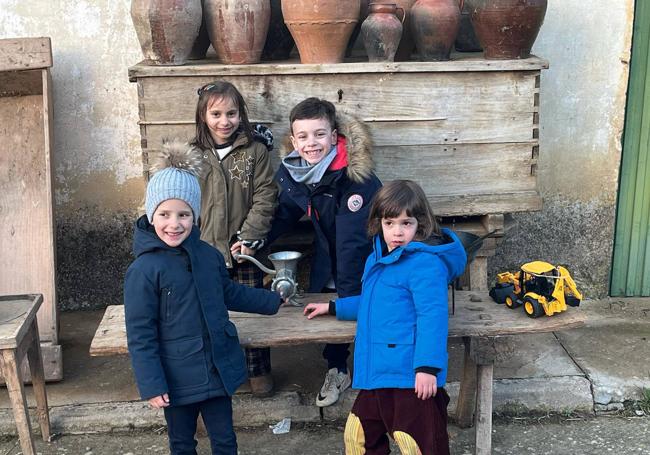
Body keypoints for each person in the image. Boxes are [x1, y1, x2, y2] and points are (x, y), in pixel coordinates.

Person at [124, 143, 283, 455]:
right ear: (151, 214)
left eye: (184, 214)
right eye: (165, 214)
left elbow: (227, 292)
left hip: (216, 368)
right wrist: (153, 384)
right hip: (176, 376)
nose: (174, 224)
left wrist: (272, 301)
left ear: (195, 216)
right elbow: (140, 334)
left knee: (225, 440)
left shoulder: (208, 255)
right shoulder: (143, 270)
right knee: (182, 443)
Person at [304, 180, 467, 454]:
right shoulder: (377, 258)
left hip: (409, 376)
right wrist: (333, 307)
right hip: (377, 371)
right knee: (359, 439)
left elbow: (432, 316)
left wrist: (428, 368)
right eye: (390, 223)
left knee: (418, 444)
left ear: (422, 223)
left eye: (406, 223)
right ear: (378, 222)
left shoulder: (425, 264)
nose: (397, 232)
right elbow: (374, 304)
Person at [266, 97, 382, 407]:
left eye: (319, 134)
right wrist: (253, 241)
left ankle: (377, 374)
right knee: (330, 302)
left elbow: (351, 242)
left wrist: (343, 296)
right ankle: (337, 368)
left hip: (366, 256)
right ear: (293, 140)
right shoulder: (296, 173)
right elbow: (284, 214)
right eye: (302, 136)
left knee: (357, 303)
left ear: (334, 136)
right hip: (328, 252)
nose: (311, 143)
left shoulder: (354, 177)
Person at [190, 81, 278, 397]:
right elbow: (185, 204)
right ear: (203, 116)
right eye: (216, 113)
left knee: (253, 310)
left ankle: (258, 371)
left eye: (231, 113)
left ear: (241, 114)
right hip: (207, 251)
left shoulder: (255, 151)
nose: (224, 121)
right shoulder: (193, 156)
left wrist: (250, 236)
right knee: (212, 315)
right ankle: (222, 372)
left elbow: (266, 194)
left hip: (246, 251)